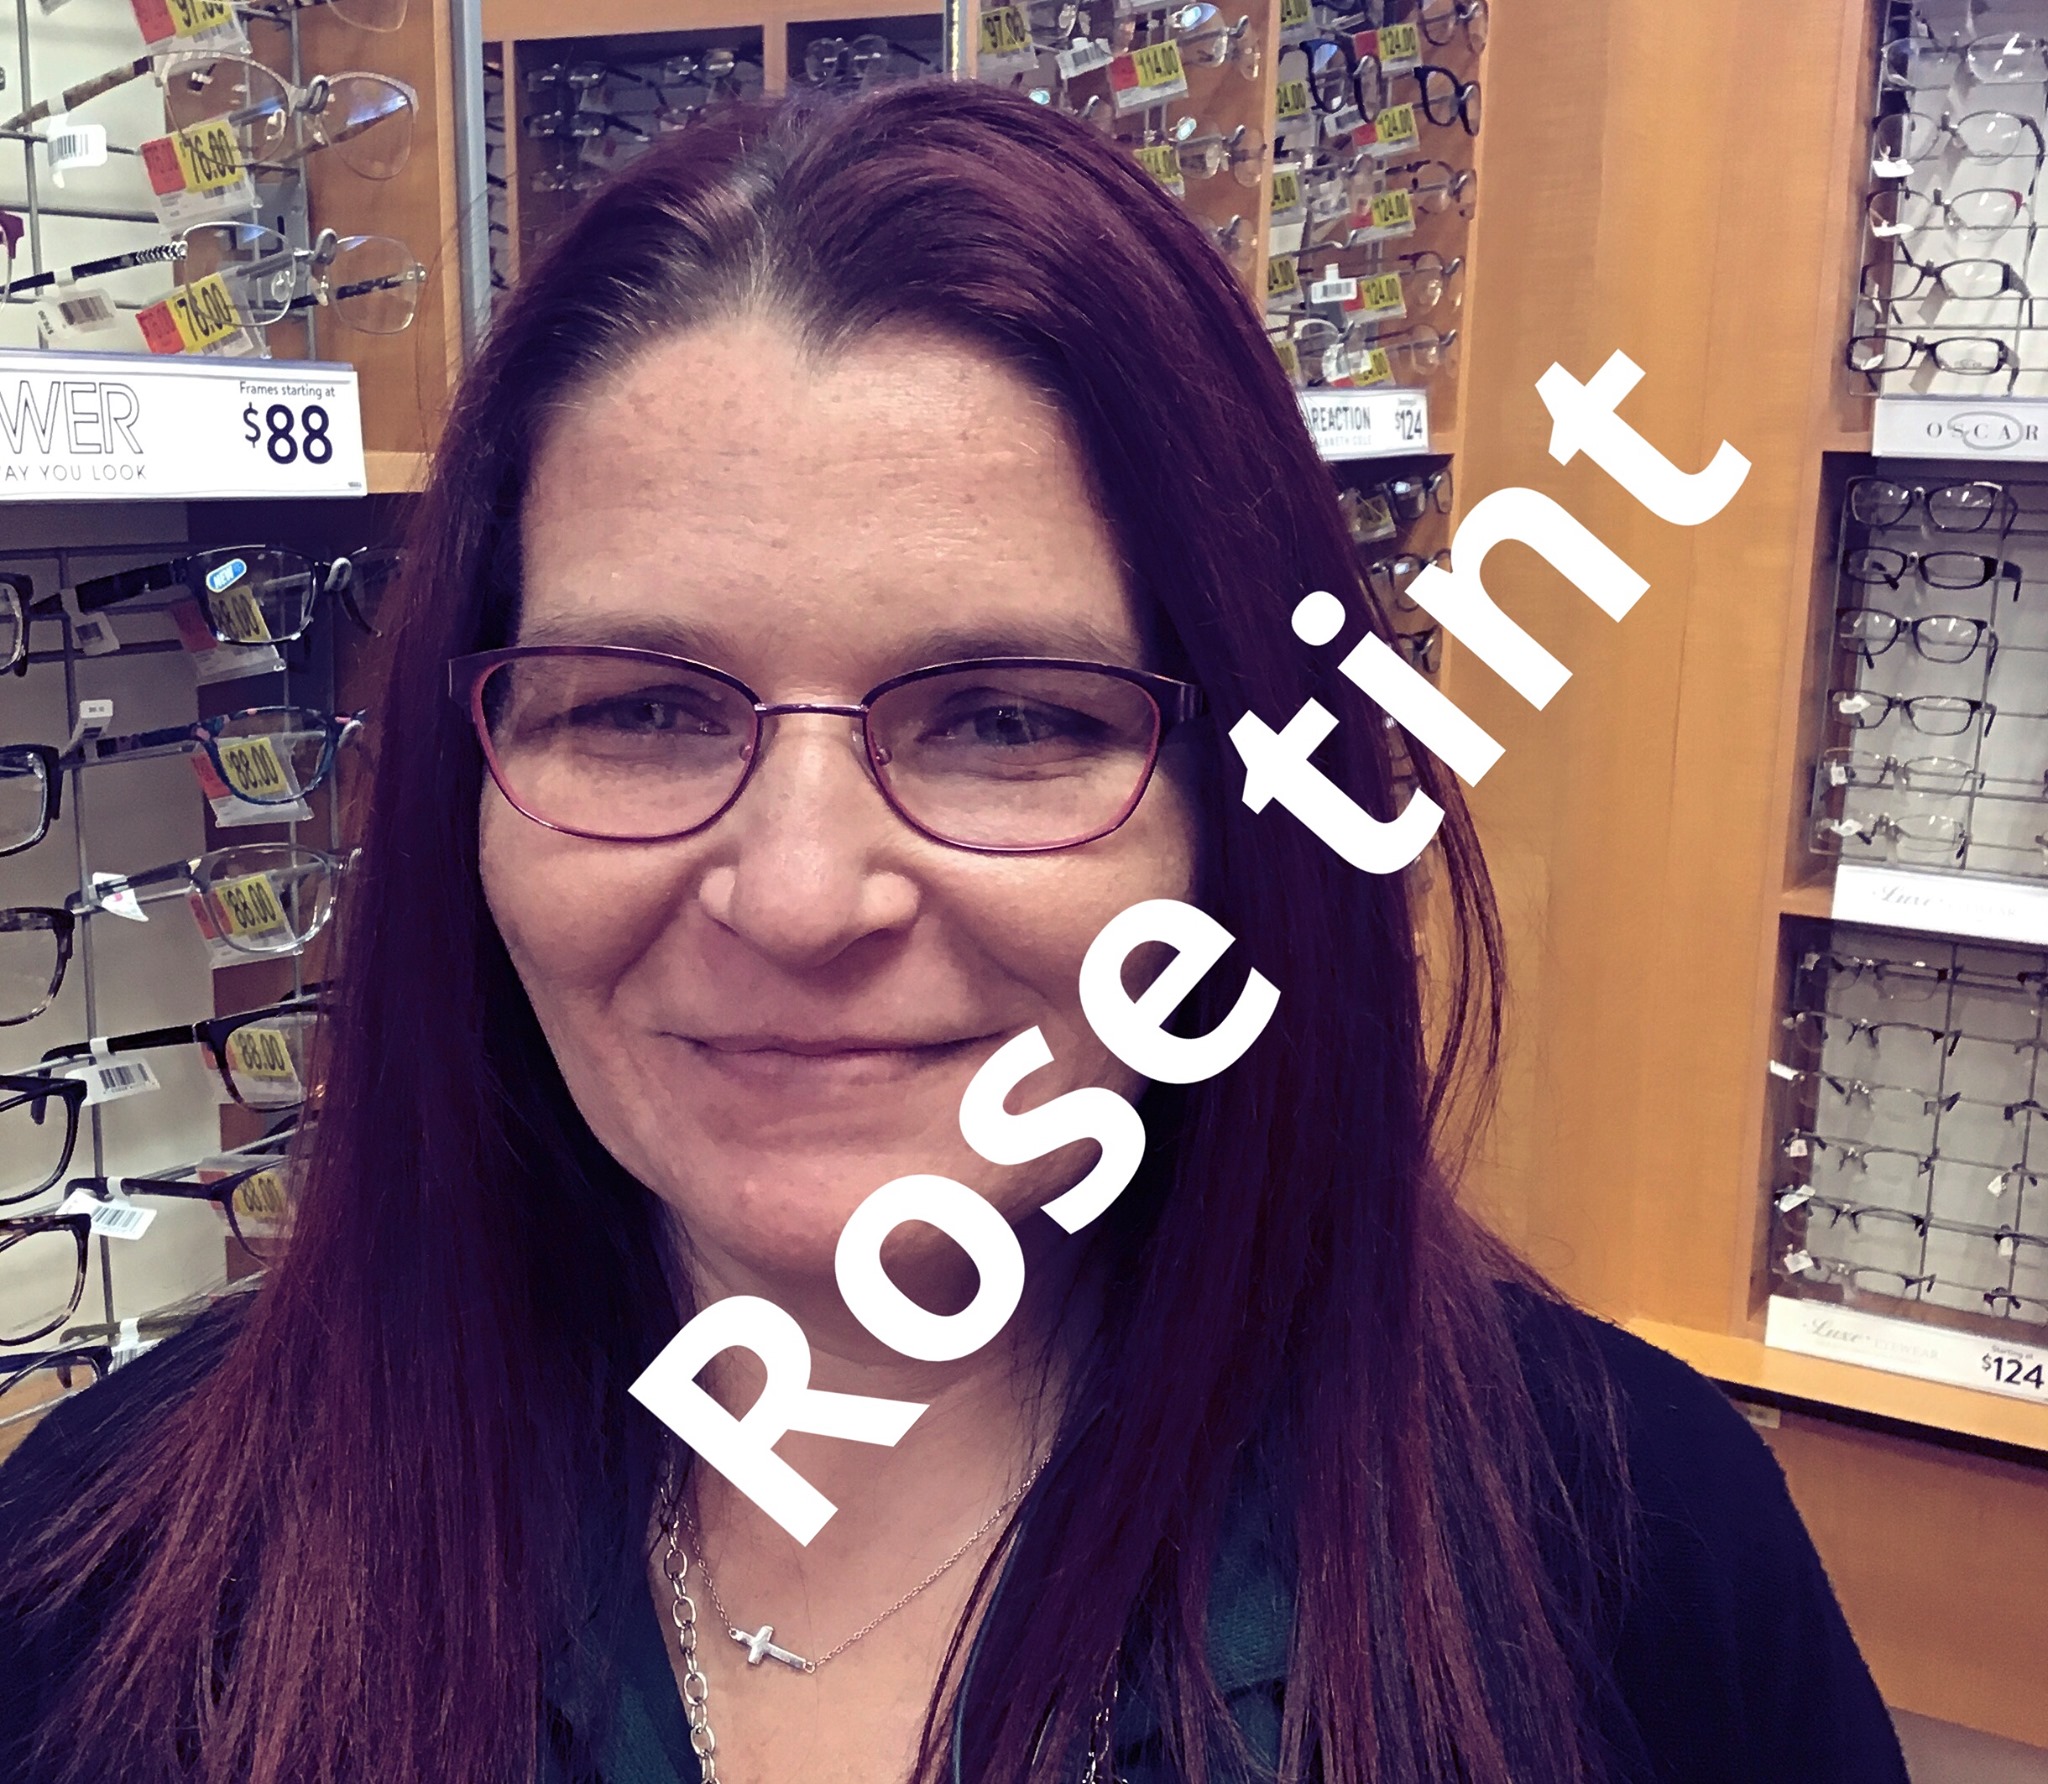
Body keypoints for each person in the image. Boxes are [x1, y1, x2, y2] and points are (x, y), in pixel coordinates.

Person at [0, 79, 1907, 1784]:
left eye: (1006, 721)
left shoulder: (1628, 1559)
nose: (798, 895)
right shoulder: (120, 1573)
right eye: (642, 709)